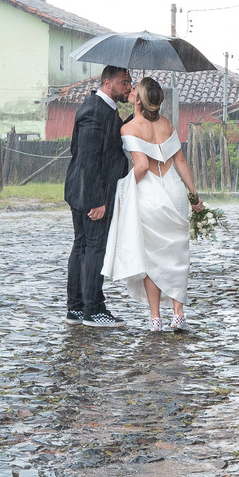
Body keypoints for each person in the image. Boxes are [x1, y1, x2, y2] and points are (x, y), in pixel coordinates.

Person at [101, 77, 205, 332]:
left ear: (139, 99)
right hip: (174, 191)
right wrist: (194, 196)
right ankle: (179, 315)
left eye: (134, 88)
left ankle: (155, 318)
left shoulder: (130, 128)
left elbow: (142, 167)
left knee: (152, 259)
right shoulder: (168, 124)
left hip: (149, 194)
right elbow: (180, 161)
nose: (131, 89)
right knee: (178, 255)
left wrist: (122, 188)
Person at [64, 65, 133, 327]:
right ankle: (93, 310)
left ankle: (77, 309)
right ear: (107, 83)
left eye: (130, 82)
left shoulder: (106, 110)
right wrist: (98, 200)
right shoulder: (95, 110)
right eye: (124, 82)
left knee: (82, 246)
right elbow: (88, 158)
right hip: (90, 192)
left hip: (83, 189)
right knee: (93, 248)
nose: (128, 86)